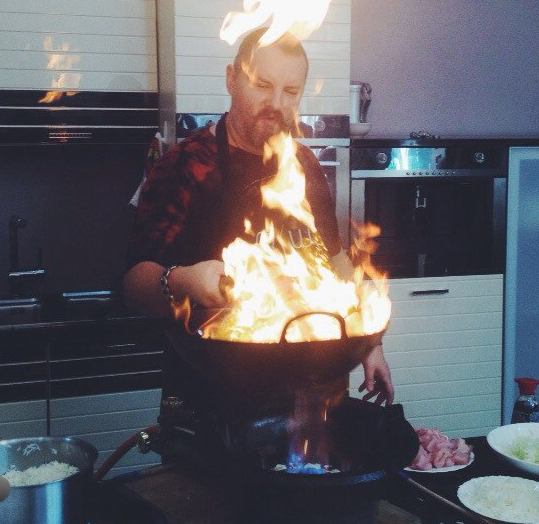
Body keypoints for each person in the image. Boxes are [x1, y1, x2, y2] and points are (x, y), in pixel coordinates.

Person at [124, 27, 394, 407]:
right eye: (262, 84)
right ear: (232, 79)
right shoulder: (184, 165)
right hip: (209, 392)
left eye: (290, 91)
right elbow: (133, 287)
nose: (276, 103)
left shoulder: (305, 165)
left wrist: (368, 342)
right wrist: (183, 280)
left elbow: (335, 262)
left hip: (306, 390)